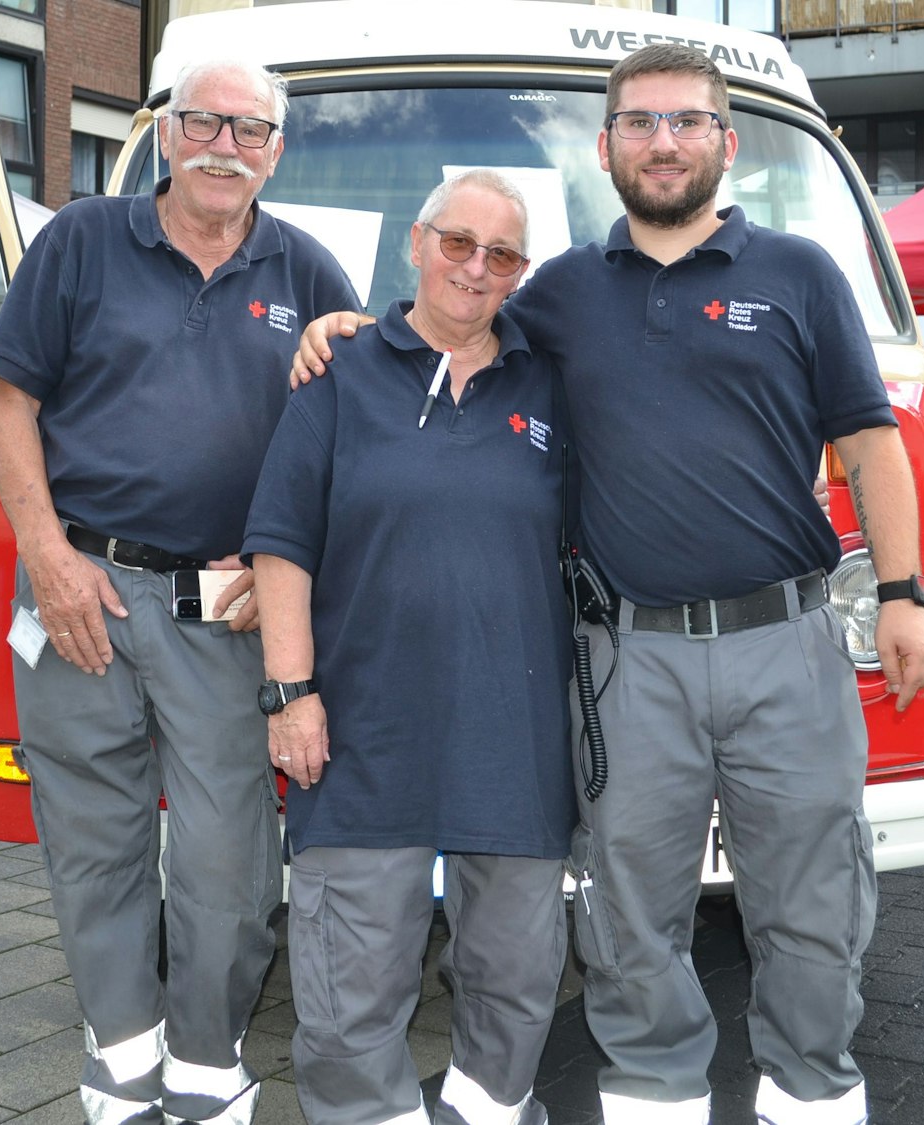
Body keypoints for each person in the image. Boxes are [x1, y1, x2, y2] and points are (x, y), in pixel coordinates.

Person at [298, 43, 924, 1125]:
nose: (662, 142)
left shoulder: (799, 275)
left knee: (813, 906)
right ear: (605, 148)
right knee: (631, 916)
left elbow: (871, 444)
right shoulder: (557, 294)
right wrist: (352, 332)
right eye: (639, 123)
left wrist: (904, 593)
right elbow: (453, 326)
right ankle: (655, 1097)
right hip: (626, 658)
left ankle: (813, 1095)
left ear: (724, 143)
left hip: (784, 643)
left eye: (685, 122)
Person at [0, 59, 358, 1125]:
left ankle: (205, 1055)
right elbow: (7, 407)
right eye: (202, 123)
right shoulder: (81, 241)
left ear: (274, 152)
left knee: (230, 855)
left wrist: (287, 568)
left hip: (224, 611)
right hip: (78, 590)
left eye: (247, 131)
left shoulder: (308, 272)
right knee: (91, 840)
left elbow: (355, 441)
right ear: (164, 133)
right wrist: (47, 556)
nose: (222, 146)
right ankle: (122, 1055)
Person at [246, 169, 571, 1125]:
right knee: (351, 998)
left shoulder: (553, 384)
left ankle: (488, 1111)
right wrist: (290, 691)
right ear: (416, 246)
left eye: (501, 254)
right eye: (457, 243)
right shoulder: (337, 374)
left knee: (515, 976)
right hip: (361, 736)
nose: (475, 268)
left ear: (521, 273)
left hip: (513, 738)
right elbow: (281, 542)